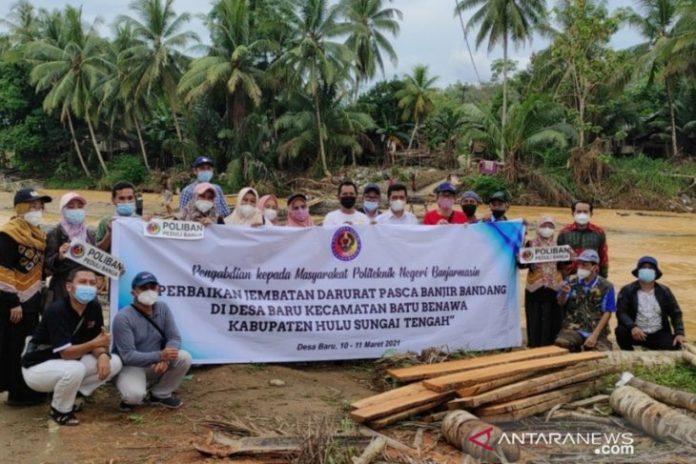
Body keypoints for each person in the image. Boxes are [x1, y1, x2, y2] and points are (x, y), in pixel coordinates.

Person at [21, 268, 122, 425]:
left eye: (92, 283)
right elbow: (66, 353)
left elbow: (97, 340)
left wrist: (102, 355)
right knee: (75, 369)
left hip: (67, 362)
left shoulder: (94, 308)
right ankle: (60, 410)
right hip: (38, 366)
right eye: (82, 282)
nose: (88, 286)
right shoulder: (57, 310)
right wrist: (96, 344)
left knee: (114, 362)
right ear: (69, 287)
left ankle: (74, 394)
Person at [0, 188, 52, 406]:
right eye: (32, 206)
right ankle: (18, 393)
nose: (37, 210)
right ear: (20, 207)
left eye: (40, 206)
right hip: (13, 302)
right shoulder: (8, 233)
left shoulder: (37, 234)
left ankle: (29, 389)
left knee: (27, 344)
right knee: (13, 346)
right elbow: (4, 269)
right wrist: (12, 302)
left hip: (31, 301)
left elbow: (39, 270)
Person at [112, 272, 192, 411]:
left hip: (156, 362)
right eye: (143, 288)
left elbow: (174, 338)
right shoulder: (123, 317)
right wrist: (160, 356)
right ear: (134, 292)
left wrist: (165, 358)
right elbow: (128, 356)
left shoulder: (163, 308)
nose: (149, 291)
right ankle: (133, 387)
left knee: (184, 357)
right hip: (132, 365)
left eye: (153, 287)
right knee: (134, 397)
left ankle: (160, 394)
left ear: (158, 289)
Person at [615, 256, 686, 351]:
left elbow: (675, 313)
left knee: (676, 345)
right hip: (636, 333)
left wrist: (679, 333)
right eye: (643, 267)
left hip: (658, 333)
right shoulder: (627, 290)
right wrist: (632, 327)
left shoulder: (664, 291)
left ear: (656, 273)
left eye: (650, 268)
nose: (646, 270)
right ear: (638, 271)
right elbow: (621, 312)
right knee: (620, 331)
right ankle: (629, 352)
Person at [554, 250, 615, 352]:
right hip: (573, 329)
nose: (580, 268)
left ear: (594, 268)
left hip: (596, 330)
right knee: (561, 343)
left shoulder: (606, 286)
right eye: (579, 264)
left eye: (584, 265)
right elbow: (560, 302)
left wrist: (594, 336)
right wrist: (563, 293)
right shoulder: (570, 280)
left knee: (602, 353)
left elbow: (607, 313)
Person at [45, 192, 97, 302]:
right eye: (71, 207)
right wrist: (59, 257)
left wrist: (100, 277)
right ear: (63, 210)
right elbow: (46, 265)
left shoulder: (89, 233)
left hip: (87, 286)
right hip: (62, 289)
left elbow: (96, 260)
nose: (76, 210)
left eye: (80, 206)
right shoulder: (55, 233)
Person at [523, 216, 563, 347]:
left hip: (553, 287)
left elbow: (564, 264)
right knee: (535, 317)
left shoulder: (559, 246)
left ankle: (551, 345)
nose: (547, 229)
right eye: (544, 225)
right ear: (538, 227)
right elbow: (522, 264)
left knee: (552, 317)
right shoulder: (530, 244)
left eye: (550, 226)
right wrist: (521, 258)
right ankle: (534, 344)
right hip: (535, 287)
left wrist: (571, 256)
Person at [557, 200, 609, 278]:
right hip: (570, 277)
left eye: (585, 212)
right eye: (579, 211)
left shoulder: (599, 232)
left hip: (592, 276)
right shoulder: (564, 233)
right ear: (573, 213)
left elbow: (603, 257)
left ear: (591, 214)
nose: (582, 214)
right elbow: (558, 258)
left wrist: (604, 278)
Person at [96, 181, 138, 252]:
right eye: (121, 198)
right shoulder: (105, 222)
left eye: (130, 198)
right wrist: (110, 234)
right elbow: (98, 251)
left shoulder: (141, 221)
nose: (126, 202)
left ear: (135, 199)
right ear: (113, 200)